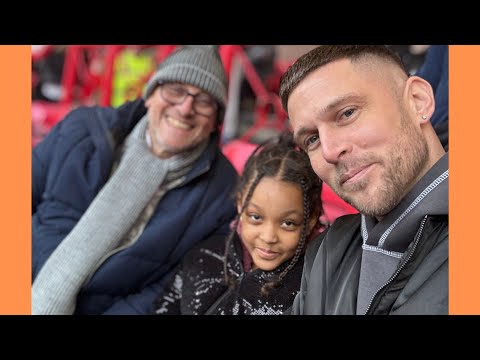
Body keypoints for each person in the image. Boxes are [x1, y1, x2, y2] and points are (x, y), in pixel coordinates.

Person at [32, 45, 238, 315]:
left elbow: (165, 291)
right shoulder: (82, 129)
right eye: (174, 90)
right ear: (150, 95)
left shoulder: (223, 194)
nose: (185, 108)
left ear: (215, 122)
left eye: (203, 101)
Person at [279, 45, 448, 315]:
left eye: (347, 113)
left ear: (417, 101)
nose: (330, 151)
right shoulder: (327, 251)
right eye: (312, 139)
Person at [153, 132, 324, 315]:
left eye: (288, 223)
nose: (268, 237)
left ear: (311, 219)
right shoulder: (204, 256)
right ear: (240, 203)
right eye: (256, 217)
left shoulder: (312, 287)